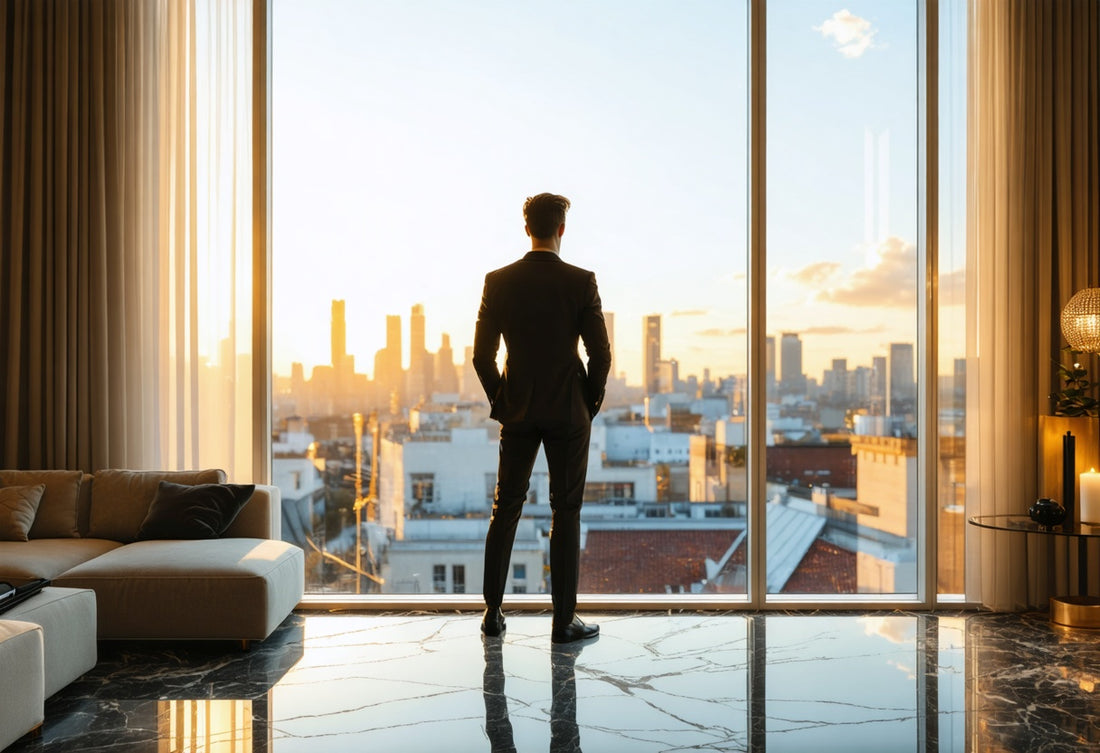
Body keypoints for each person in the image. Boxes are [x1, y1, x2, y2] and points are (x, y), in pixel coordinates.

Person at [473, 193, 611, 644]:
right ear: (562, 230)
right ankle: (562, 621)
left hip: (519, 409)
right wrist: (587, 402)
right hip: (568, 410)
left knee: (506, 505)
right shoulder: (581, 280)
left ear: (526, 227)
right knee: (565, 510)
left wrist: (503, 398)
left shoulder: (498, 281)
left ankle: (493, 614)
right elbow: (601, 354)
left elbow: (482, 356)